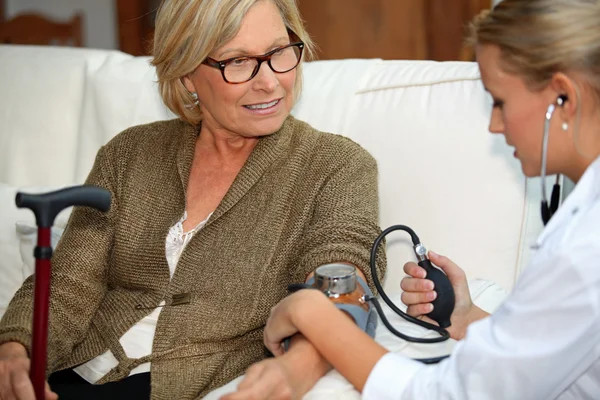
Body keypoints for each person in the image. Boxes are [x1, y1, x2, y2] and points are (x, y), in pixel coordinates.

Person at [0, 0, 386, 399]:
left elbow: (343, 280)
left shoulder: (335, 167)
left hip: (182, 385)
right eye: (238, 62)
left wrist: (299, 366)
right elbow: (68, 284)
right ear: (186, 75)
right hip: (70, 373)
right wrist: (15, 350)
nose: (270, 82)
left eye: (279, 52)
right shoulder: (129, 153)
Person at [225, 0, 600, 399]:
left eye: (500, 101)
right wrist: (468, 318)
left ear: (563, 97)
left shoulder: (583, 250)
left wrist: (317, 317)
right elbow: (556, 356)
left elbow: (444, 395)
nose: (494, 125)